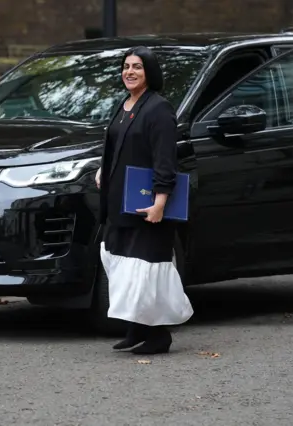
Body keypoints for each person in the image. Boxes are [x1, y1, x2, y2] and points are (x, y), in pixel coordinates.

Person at [95, 46, 194, 354]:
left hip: (146, 203)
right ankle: (136, 328)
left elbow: (166, 159)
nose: (130, 71)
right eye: (126, 66)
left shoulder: (159, 108)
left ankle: (158, 335)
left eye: (137, 66)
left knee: (145, 269)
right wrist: (104, 168)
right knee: (123, 265)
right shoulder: (124, 104)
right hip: (119, 201)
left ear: (149, 72)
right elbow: (117, 145)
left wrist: (161, 201)